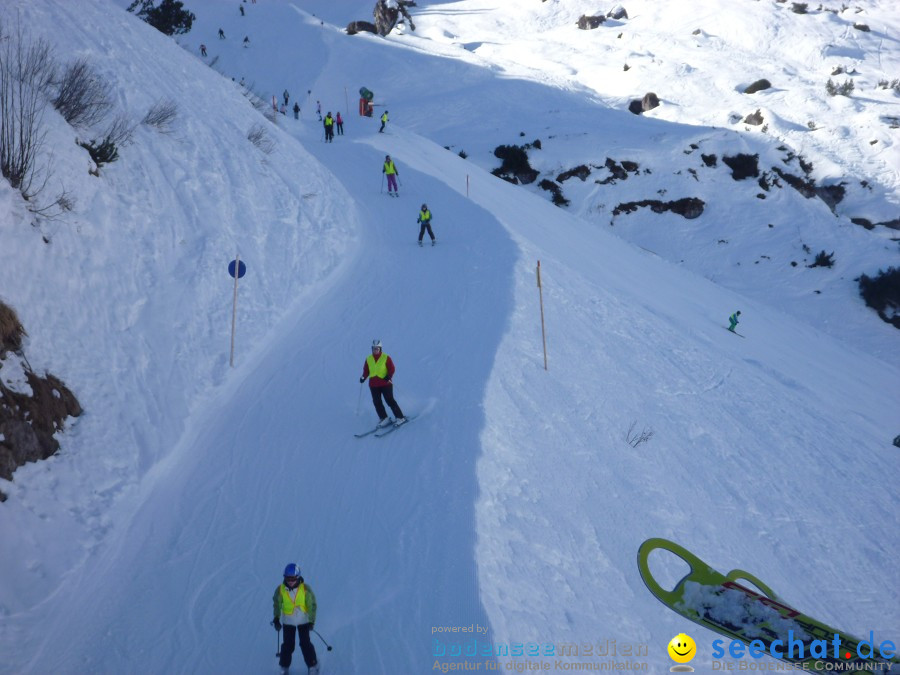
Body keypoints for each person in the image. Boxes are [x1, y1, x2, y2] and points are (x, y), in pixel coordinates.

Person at [272, 563, 319, 675]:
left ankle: (313, 666)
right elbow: (277, 605)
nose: (291, 581)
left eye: (293, 578)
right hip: (288, 621)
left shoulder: (305, 589)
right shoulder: (280, 590)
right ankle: (284, 668)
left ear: (298, 577)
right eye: (288, 578)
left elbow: (312, 605)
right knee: (288, 645)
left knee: (305, 643)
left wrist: (311, 621)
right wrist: (276, 618)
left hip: (303, 621)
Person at [359, 340, 407, 428]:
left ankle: (400, 417)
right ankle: (384, 418)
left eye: (377, 348)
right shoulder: (368, 359)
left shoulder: (386, 357)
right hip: (373, 385)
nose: (375, 350)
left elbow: (392, 368)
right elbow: (366, 371)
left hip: (385, 383)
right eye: (374, 348)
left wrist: (388, 376)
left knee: (389, 400)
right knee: (377, 402)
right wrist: (363, 377)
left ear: (380, 349)